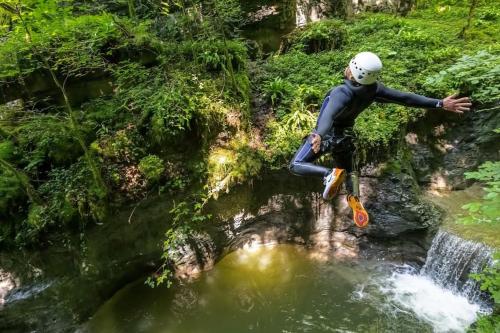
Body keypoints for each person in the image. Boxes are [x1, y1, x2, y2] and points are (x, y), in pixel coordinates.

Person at [288, 52, 471, 228]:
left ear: (352, 71)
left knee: (296, 164)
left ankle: (328, 174)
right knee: (348, 169)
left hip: (327, 136)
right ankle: (354, 197)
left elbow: (328, 115)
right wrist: (439, 103)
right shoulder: (373, 90)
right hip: (346, 138)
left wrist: (319, 134)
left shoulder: (341, 92)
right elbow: (405, 98)